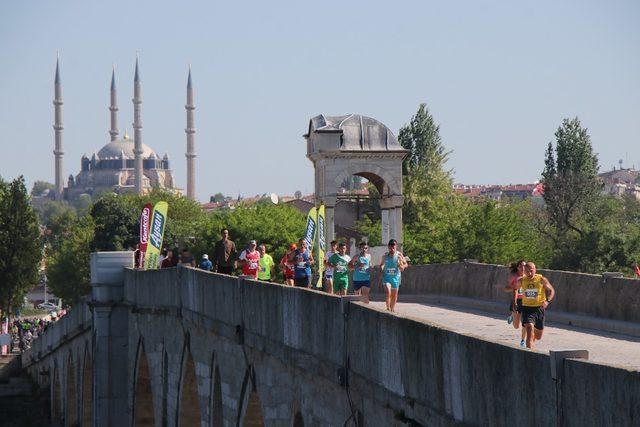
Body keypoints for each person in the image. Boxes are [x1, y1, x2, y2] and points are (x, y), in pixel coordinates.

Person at [519, 262, 555, 349]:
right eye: (527, 271)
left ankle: (532, 339)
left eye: (531, 271)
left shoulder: (541, 279)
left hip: (539, 309)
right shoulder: (522, 280)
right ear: (524, 271)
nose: (529, 273)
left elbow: (551, 290)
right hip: (527, 309)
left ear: (535, 270)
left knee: (538, 336)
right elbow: (513, 288)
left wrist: (547, 301)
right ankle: (529, 354)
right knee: (530, 328)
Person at [379, 239, 408, 312]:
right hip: (386, 278)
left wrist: (402, 266)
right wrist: (381, 270)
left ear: (396, 246)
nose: (392, 249)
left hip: (396, 278)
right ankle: (388, 308)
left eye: (393, 247)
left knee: (394, 296)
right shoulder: (385, 256)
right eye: (390, 247)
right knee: (388, 292)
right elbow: (381, 264)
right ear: (388, 247)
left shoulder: (399, 255)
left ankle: (392, 309)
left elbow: (406, 264)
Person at [504, 260, 527, 346]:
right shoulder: (513, 276)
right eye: (521, 266)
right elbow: (505, 289)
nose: (523, 268)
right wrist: (514, 288)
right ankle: (512, 316)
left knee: (526, 321)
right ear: (517, 268)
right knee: (516, 326)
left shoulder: (528, 276)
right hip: (516, 300)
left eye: (524, 266)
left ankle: (523, 340)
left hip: (526, 301)